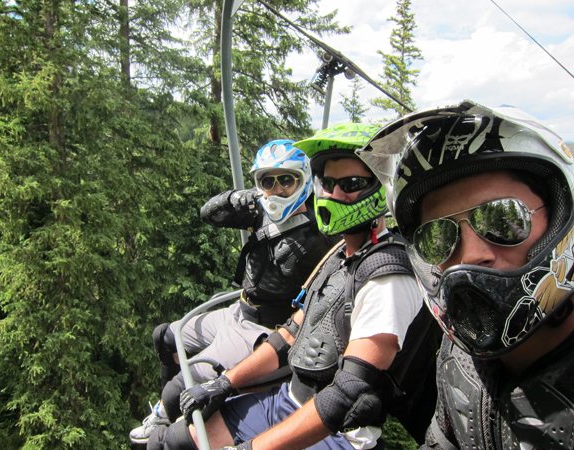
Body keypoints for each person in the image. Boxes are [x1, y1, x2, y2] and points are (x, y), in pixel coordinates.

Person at [147, 123, 442, 450]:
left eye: (352, 184)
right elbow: (288, 335)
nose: (335, 195)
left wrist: (252, 448)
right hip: (290, 400)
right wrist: (224, 383)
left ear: (382, 188)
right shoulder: (339, 255)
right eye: (328, 183)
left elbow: (346, 395)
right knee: (175, 439)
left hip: (337, 433)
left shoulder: (386, 277)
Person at [358, 100, 574, 449]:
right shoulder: (459, 359)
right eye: (438, 238)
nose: (472, 255)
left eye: (503, 218)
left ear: (558, 217)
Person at [130, 140, 337, 444]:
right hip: (239, 309)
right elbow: (208, 214)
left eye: (286, 180)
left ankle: (167, 412)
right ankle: (166, 410)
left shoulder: (319, 238)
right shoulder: (260, 210)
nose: (277, 190)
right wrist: (236, 198)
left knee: (175, 390)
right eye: (268, 181)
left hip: (262, 330)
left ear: (303, 181)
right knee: (165, 336)